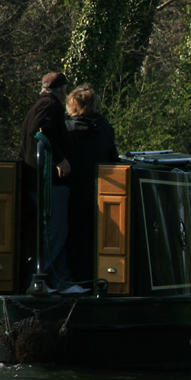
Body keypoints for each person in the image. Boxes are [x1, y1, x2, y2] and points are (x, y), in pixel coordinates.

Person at [18, 72, 77, 293]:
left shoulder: (40, 104)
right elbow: (38, 131)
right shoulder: (49, 106)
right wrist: (59, 160)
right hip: (47, 182)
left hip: (41, 180)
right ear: (61, 90)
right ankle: (35, 280)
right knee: (56, 231)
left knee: (56, 232)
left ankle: (61, 281)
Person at [63, 83, 120, 284]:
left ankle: (71, 278)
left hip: (72, 191)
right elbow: (113, 161)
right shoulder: (105, 128)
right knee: (93, 237)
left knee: (70, 236)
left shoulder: (66, 129)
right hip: (100, 192)